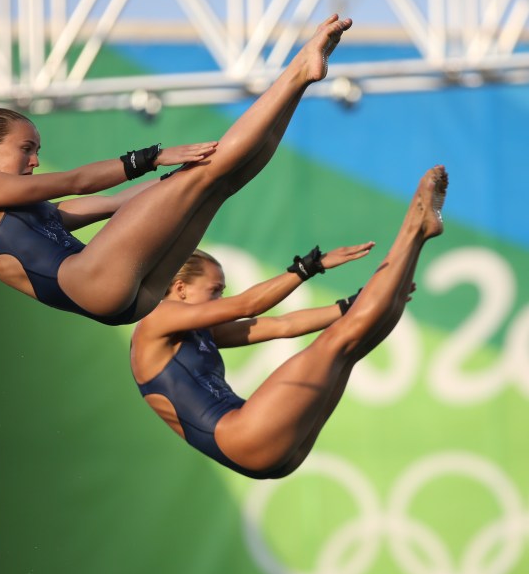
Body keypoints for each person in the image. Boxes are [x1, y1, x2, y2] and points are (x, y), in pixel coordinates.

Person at [0, 15, 353, 326]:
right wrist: (152, 157)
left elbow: (109, 205)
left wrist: (165, 185)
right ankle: (296, 72)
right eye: (27, 149)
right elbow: (75, 181)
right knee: (203, 175)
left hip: (123, 301)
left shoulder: (28, 213)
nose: (36, 160)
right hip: (95, 281)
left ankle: (300, 84)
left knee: (218, 180)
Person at [130, 165, 448, 479]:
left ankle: (420, 235)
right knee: (340, 340)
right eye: (214, 291)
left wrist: (350, 304)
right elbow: (247, 304)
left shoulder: (197, 331)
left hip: (270, 452)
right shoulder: (156, 320)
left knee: (354, 345)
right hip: (246, 436)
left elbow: (283, 325)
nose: (219, 300)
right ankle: (413, 225)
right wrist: (312, 266)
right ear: (181, 288)